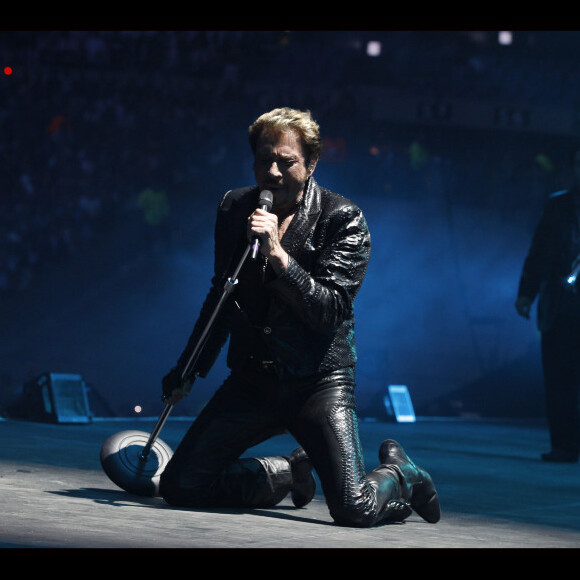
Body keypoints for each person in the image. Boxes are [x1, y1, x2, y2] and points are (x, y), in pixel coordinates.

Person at [158, 107, 440, 527]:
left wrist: (277, 255)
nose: (271, 172)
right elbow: (223, 295)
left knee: (352, 508)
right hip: (254, 379)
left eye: (285, 161)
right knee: (180, 486)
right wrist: (188, 369)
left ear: (310, 164)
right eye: (263, 160)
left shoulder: (342, 219)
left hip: (317, 382)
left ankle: (400, 474)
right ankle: (286, 473)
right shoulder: (235, 207)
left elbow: (329, 311)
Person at [515, 145, 580, 463]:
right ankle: (564, 445)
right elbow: (538, 252)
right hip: (560, 307)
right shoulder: (558, 206)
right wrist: (526, 293)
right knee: (559, 377)